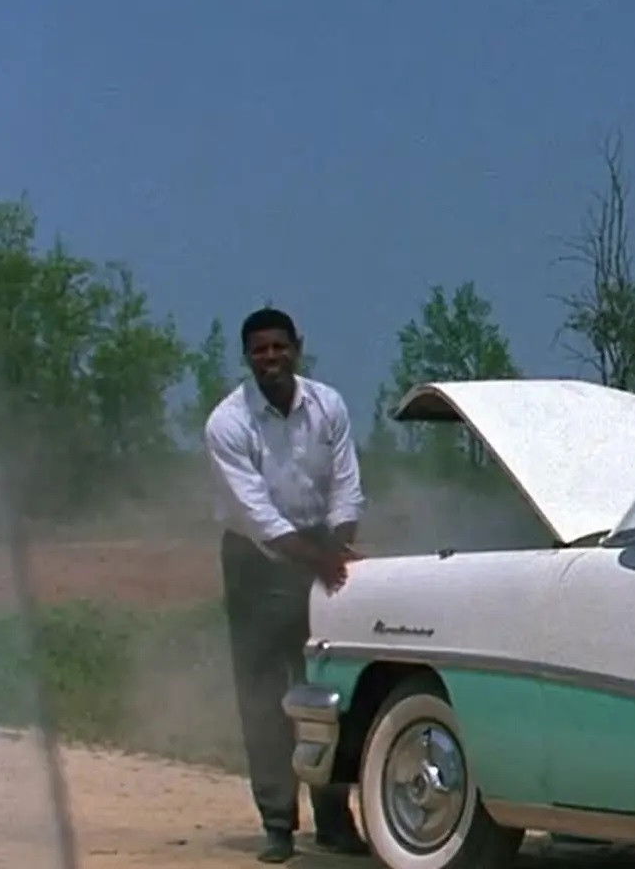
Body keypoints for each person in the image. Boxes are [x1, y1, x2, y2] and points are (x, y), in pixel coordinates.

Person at [204, 307, 370, 862]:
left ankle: (334, 820)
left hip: (321, 547)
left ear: (297, 347)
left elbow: (346, 486)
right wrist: (320, 559)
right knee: (263, 697)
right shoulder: (228, 423)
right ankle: (277, 823)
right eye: (259, 350)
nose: (270, 358)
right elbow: (257, 515)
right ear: (247, 357)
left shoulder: (328, 405)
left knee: (328, 689)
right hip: (256, 561)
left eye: (279, 347)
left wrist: (337, 548)